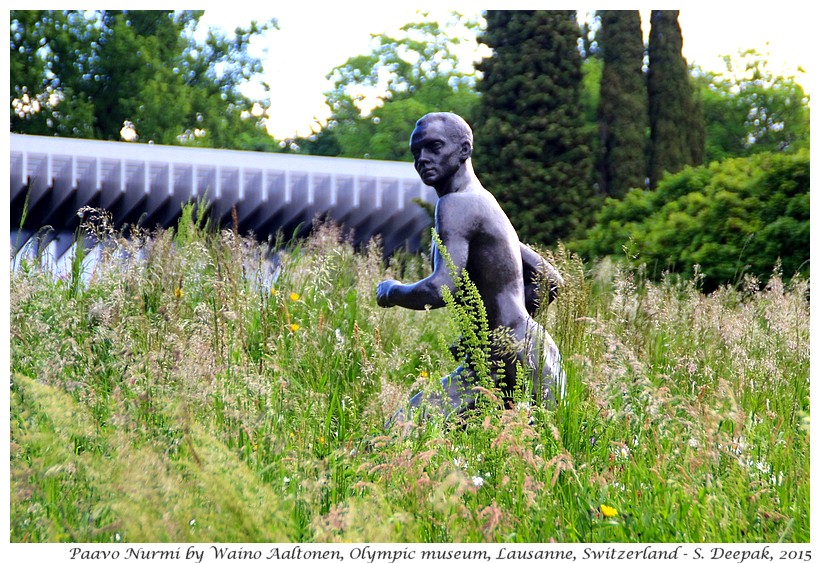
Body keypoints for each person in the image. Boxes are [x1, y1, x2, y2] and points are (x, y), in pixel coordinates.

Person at [376, 112, 565, 422]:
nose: (422, 159)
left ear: (464, 150)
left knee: (403, 430)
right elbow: (551, 281)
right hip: (535, 350)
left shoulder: (455, 204)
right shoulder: (486, 204)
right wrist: (504, 329)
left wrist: (392, 291)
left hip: (499, 360)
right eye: (416, 152)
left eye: (434, 147)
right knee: (526, 458)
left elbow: (440, 289)